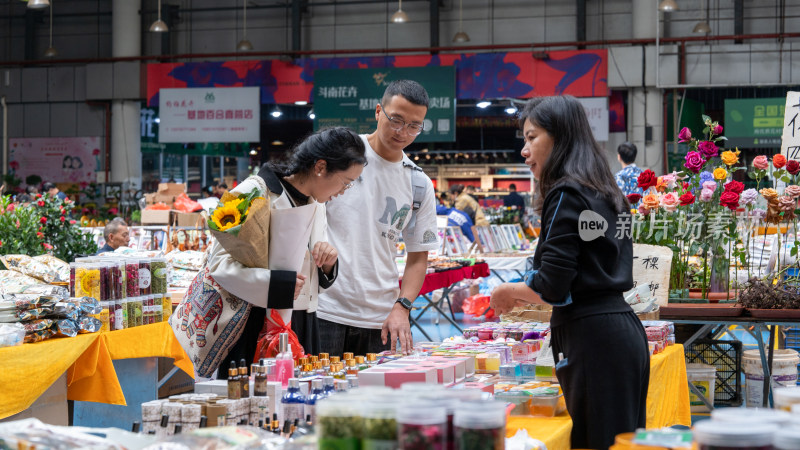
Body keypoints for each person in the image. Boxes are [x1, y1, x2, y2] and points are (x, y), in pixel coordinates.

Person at [489, 96, 649, 450]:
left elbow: (553, 283)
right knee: (620, 441)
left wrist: (508, 292)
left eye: (532, 138)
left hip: (593, 338)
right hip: (622, 331)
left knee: (597, 441)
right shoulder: (611, 195)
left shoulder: (566, 193)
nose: (524, 150)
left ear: (559, 138)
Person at [207, 127, 366, 371]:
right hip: (254, 321)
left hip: (303, 320)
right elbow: (217, 264)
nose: (344, 191)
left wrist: (327, 263)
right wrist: (278, 284)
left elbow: (310, 267)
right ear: (321, 167)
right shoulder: (252, 192)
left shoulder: (317, 203)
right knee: (253, 398)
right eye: (346, 182)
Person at [317, 80, 439, 356]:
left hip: (381, 318)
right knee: (315, 397)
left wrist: (403, 306)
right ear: (377, 112)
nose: (402, 132)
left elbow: (418, 256)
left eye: (413, 125)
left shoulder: (418, 183)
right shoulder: (339, 154)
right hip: (325, 307)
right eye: (395, 120)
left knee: (374, 399)